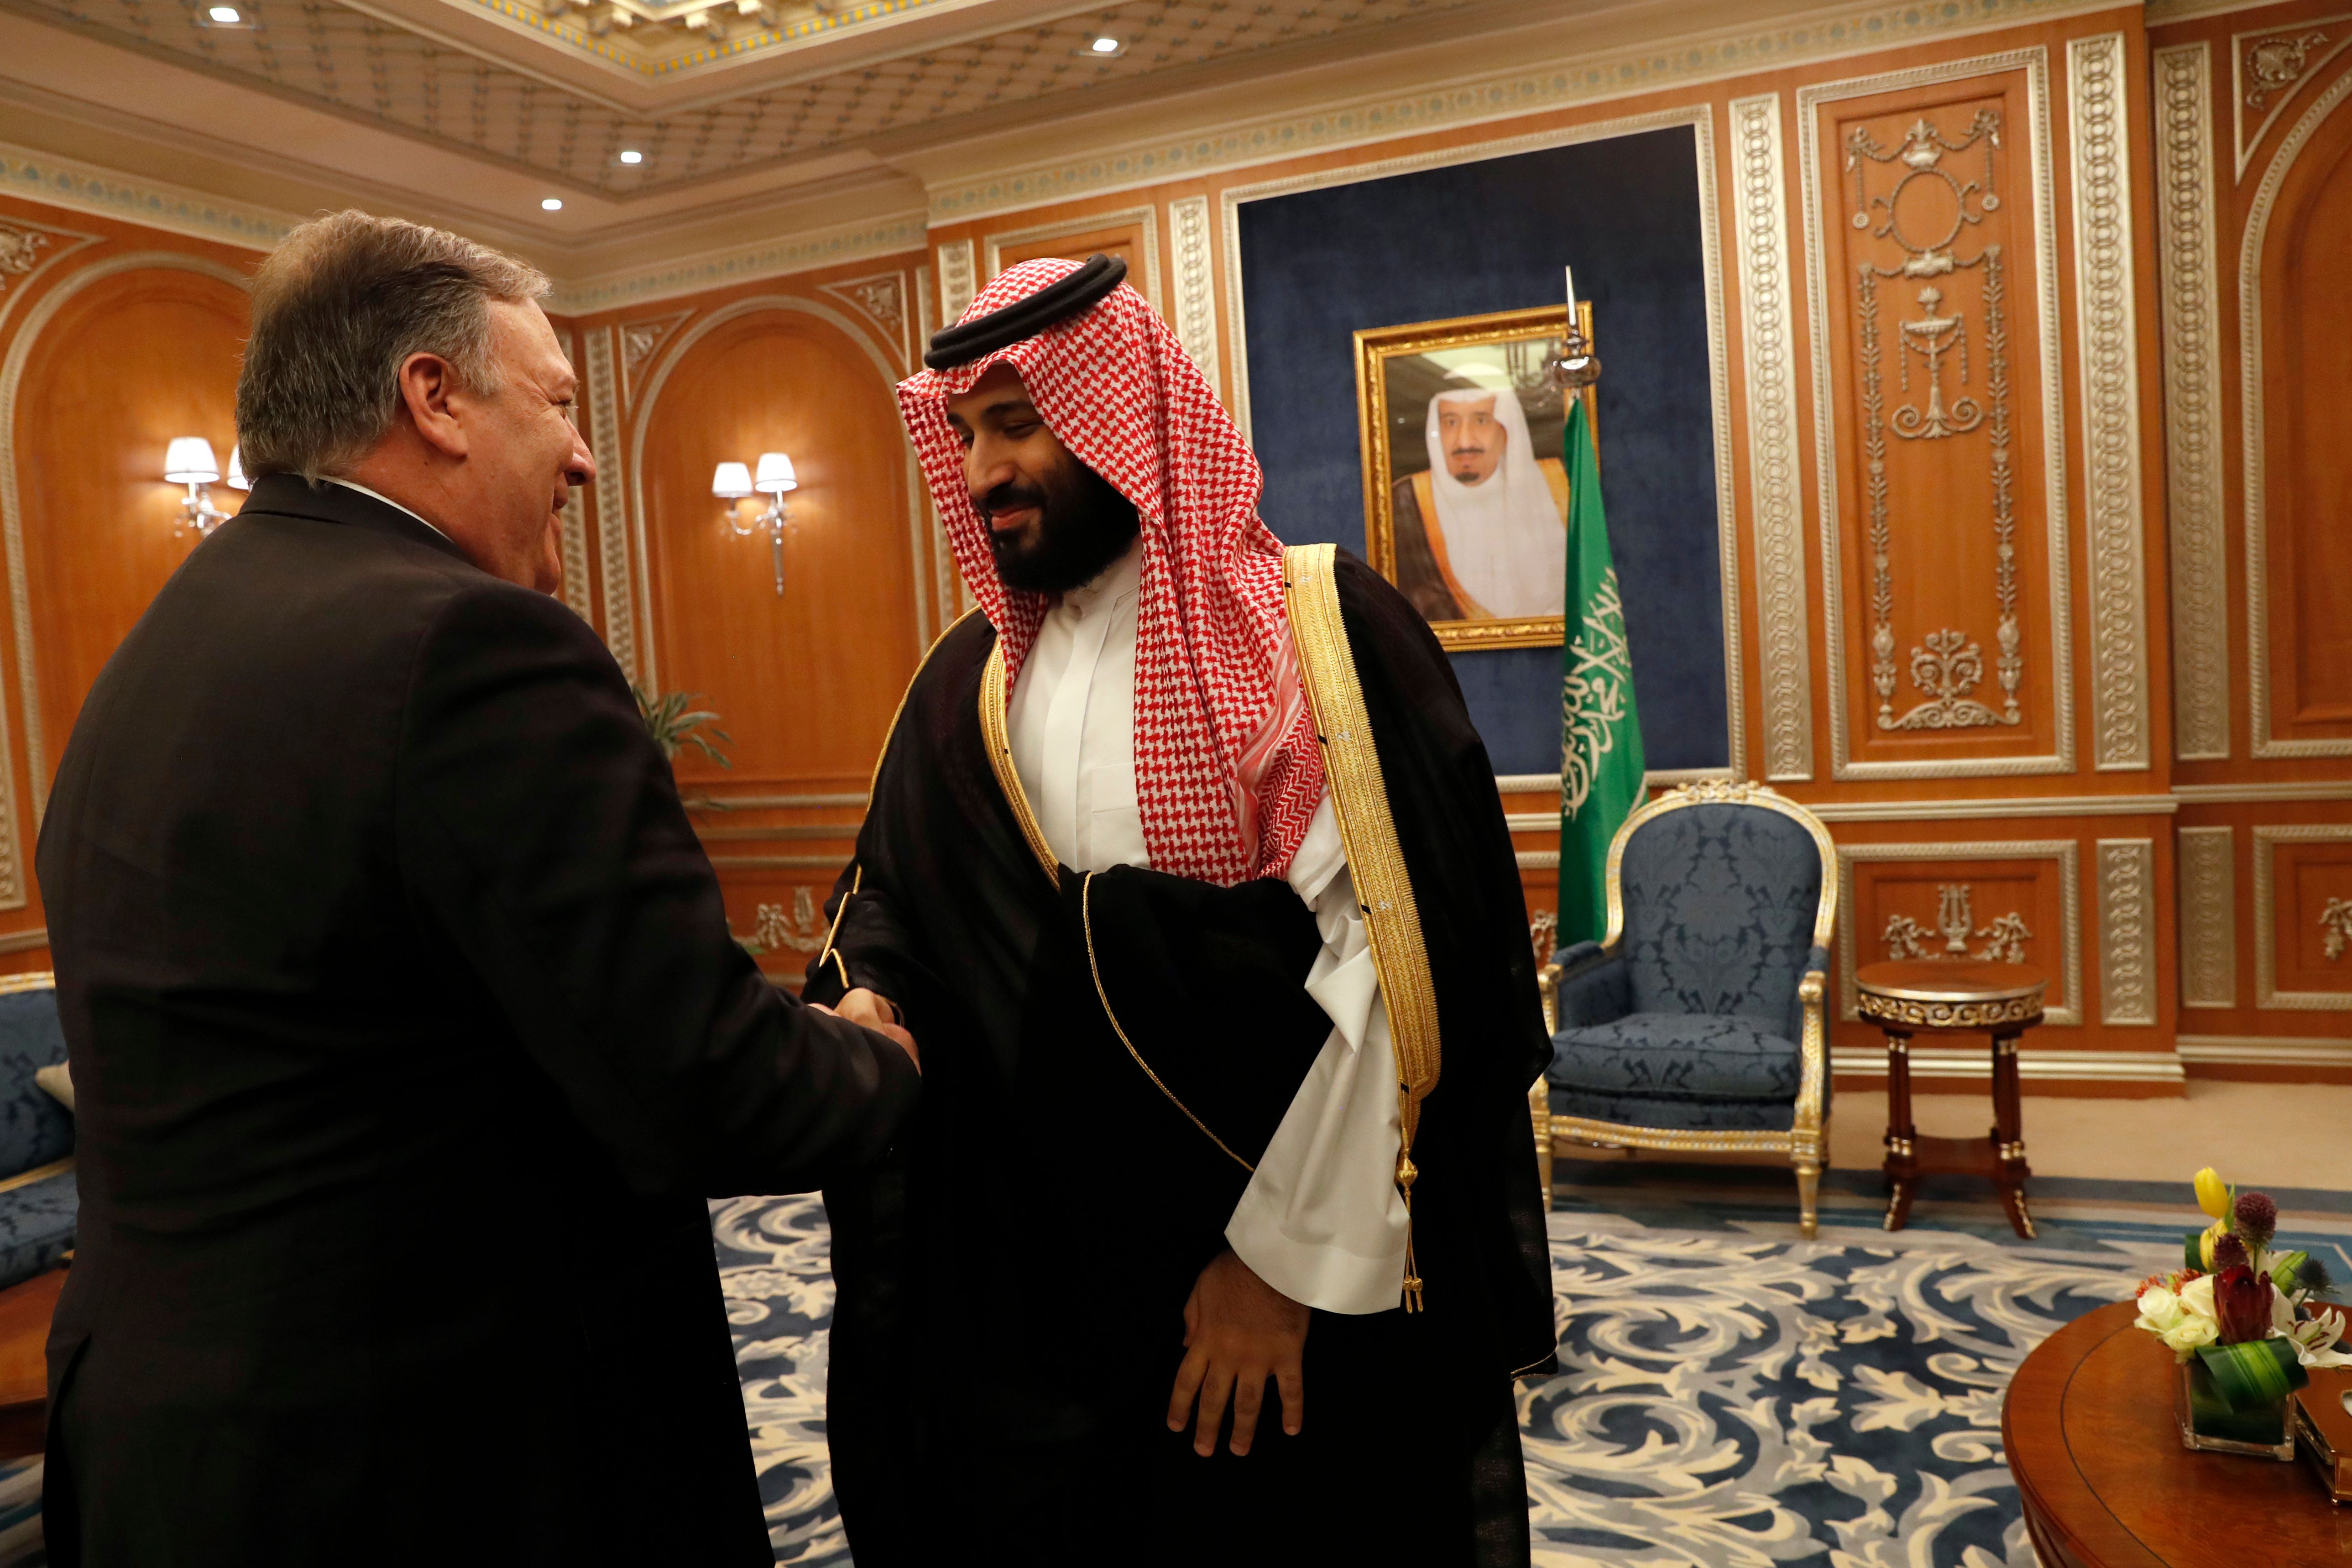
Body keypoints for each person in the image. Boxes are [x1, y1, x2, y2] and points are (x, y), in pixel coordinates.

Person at [32, 211, 922, 1567]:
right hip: (430, 1464)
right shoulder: (470, 644)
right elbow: (703, 1085)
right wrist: (876, 1056)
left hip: (173, 1455)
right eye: (559, 402)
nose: (580, 453)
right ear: (433, 398)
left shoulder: (161, 644)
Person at [807, 255, 1555, 1566]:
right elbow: (899, 893)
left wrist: (1278, 1267)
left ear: (1118, 412)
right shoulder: (968, 675)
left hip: (1268, 1251)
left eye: (1020, 423)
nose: (985, 471)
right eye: (967, 433)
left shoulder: (1310, 631)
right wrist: (869, 988)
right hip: (1045, 1267)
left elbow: (1387, 966)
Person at [1390, 379, 1568, 623]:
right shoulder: (1405, 502)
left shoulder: (1559, 485)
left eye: (1481, 420)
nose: (1465, 441)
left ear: (1506, 430)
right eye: (1451, 423)